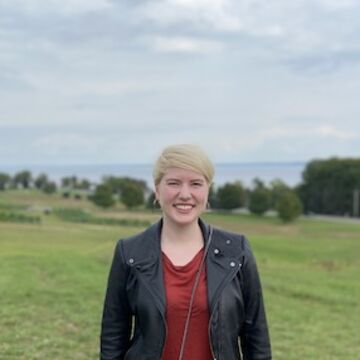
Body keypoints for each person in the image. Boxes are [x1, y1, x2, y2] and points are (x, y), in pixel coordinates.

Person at [100, 144, 272, 360]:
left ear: (208, 189)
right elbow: (113, 336)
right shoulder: (129, 252)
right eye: (173, 183)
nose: (185, 194)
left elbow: (256, 337)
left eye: (196, 184)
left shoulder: (236, 251)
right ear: (157, 189)